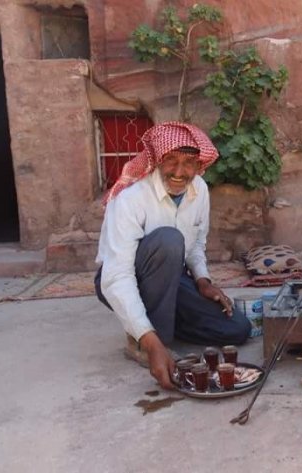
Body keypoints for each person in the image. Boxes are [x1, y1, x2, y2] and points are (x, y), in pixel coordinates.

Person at [94, 121, 252, 389]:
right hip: (122, 278)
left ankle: (152, 323)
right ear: (157, 159)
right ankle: (145, 340)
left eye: (190, 162)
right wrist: (151, 342)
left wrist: (202, 280)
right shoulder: (131, 198)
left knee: (236, 329)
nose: (180, 172)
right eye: (171, 160)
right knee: (169, 239)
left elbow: (196, 242)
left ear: (200, 163)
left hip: (172, 279)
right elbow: (116, 275)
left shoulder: (198, 189)